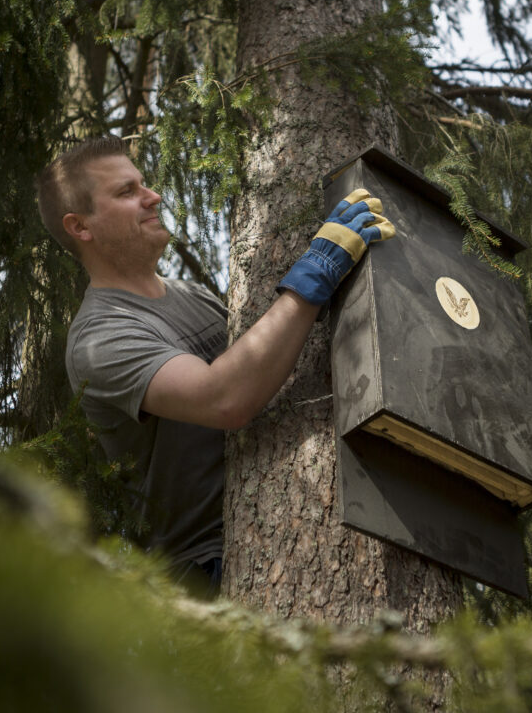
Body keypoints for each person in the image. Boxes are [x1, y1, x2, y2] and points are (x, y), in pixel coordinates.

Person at [34, 136, 394, 595]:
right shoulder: (99, 337)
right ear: (80, 227)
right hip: (207, 574)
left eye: (143, 184)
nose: (154, 197)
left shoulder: (192, 295)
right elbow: (225, 398)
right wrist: (318, 267)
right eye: (127, 192)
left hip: (284, 518)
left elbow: (264, 359)